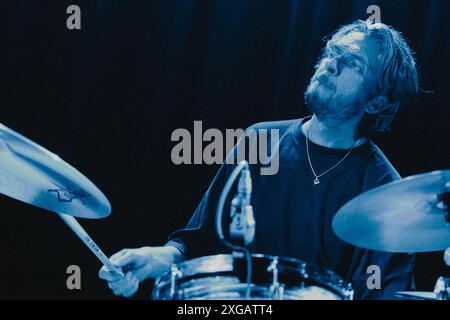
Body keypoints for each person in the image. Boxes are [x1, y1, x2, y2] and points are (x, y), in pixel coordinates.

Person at [99, 20, 419, 299]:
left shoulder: (383, 190)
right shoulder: (259, 141)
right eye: (332, 52)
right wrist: (156, 258)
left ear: (377, 101)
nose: (330, 64)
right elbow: (202, 243)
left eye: (353, 64)